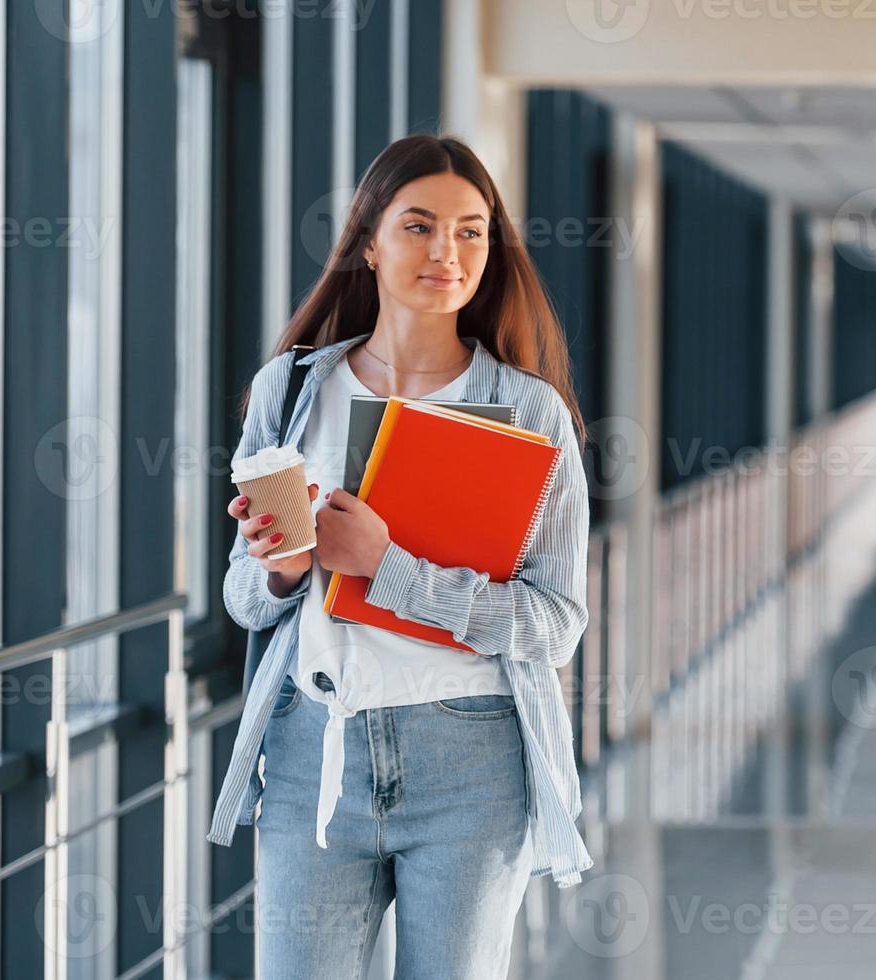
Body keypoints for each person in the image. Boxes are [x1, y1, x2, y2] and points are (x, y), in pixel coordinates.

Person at [207, 133, 593, 979]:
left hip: (471, 762)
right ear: (368, 244)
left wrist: (388, 569)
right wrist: (281, 567)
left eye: (470, 231)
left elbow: (554, 625)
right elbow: (245, 599)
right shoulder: (292, 390)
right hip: (314, 753)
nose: (445, 252)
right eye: (418, 226)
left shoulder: (529, 413)